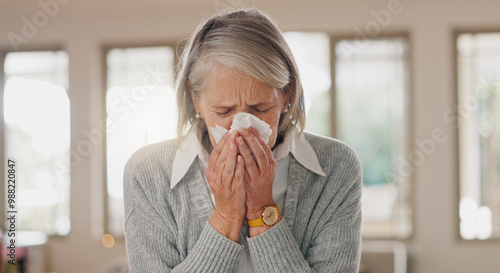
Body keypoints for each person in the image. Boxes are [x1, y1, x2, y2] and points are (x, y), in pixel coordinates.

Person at [123, 8, 362, 273]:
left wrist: (263, 209)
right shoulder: (147, 174)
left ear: (286, 94)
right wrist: (225, 217)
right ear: (196, 100)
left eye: (260, 109)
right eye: (223, 111)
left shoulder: (337, 166)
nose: (241, 128)